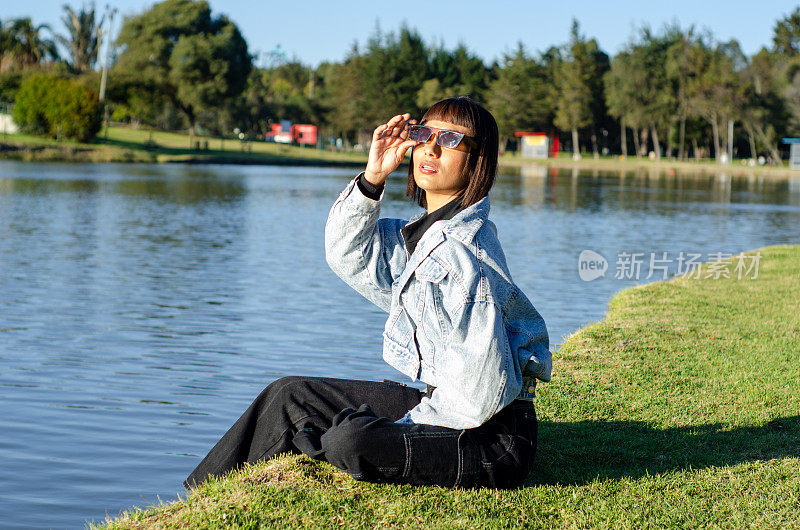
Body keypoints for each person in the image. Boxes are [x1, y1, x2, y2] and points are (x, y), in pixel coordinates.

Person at [184, 97, 551, 490]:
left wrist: (401, 429)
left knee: (352, 439)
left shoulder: (464, 258)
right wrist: (372, 178)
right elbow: (346, 254)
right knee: (290, 397)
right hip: (452, 404)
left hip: (492, 439)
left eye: (450, 139)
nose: (430, 147)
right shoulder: (424, 236)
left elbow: (482, 391)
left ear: (478, 160)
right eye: (423, 133)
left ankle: (330, 445)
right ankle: (194, 501)